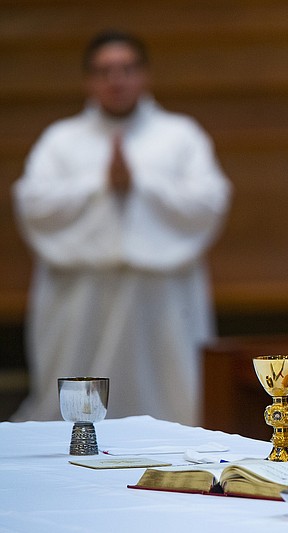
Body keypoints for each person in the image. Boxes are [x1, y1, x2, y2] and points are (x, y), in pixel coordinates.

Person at [12, 30, 231, 426]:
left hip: (160, 299)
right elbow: (34, 203)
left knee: (168, 407)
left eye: (127, 69)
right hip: (83, 295)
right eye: (105, 71)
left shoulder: (180, 135)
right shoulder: (60, 140)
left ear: (144, 76)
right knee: (78, 408)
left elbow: (208, 200)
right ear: (89, 80)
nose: (117, 80)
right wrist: (100, 188)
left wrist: (141, 188)